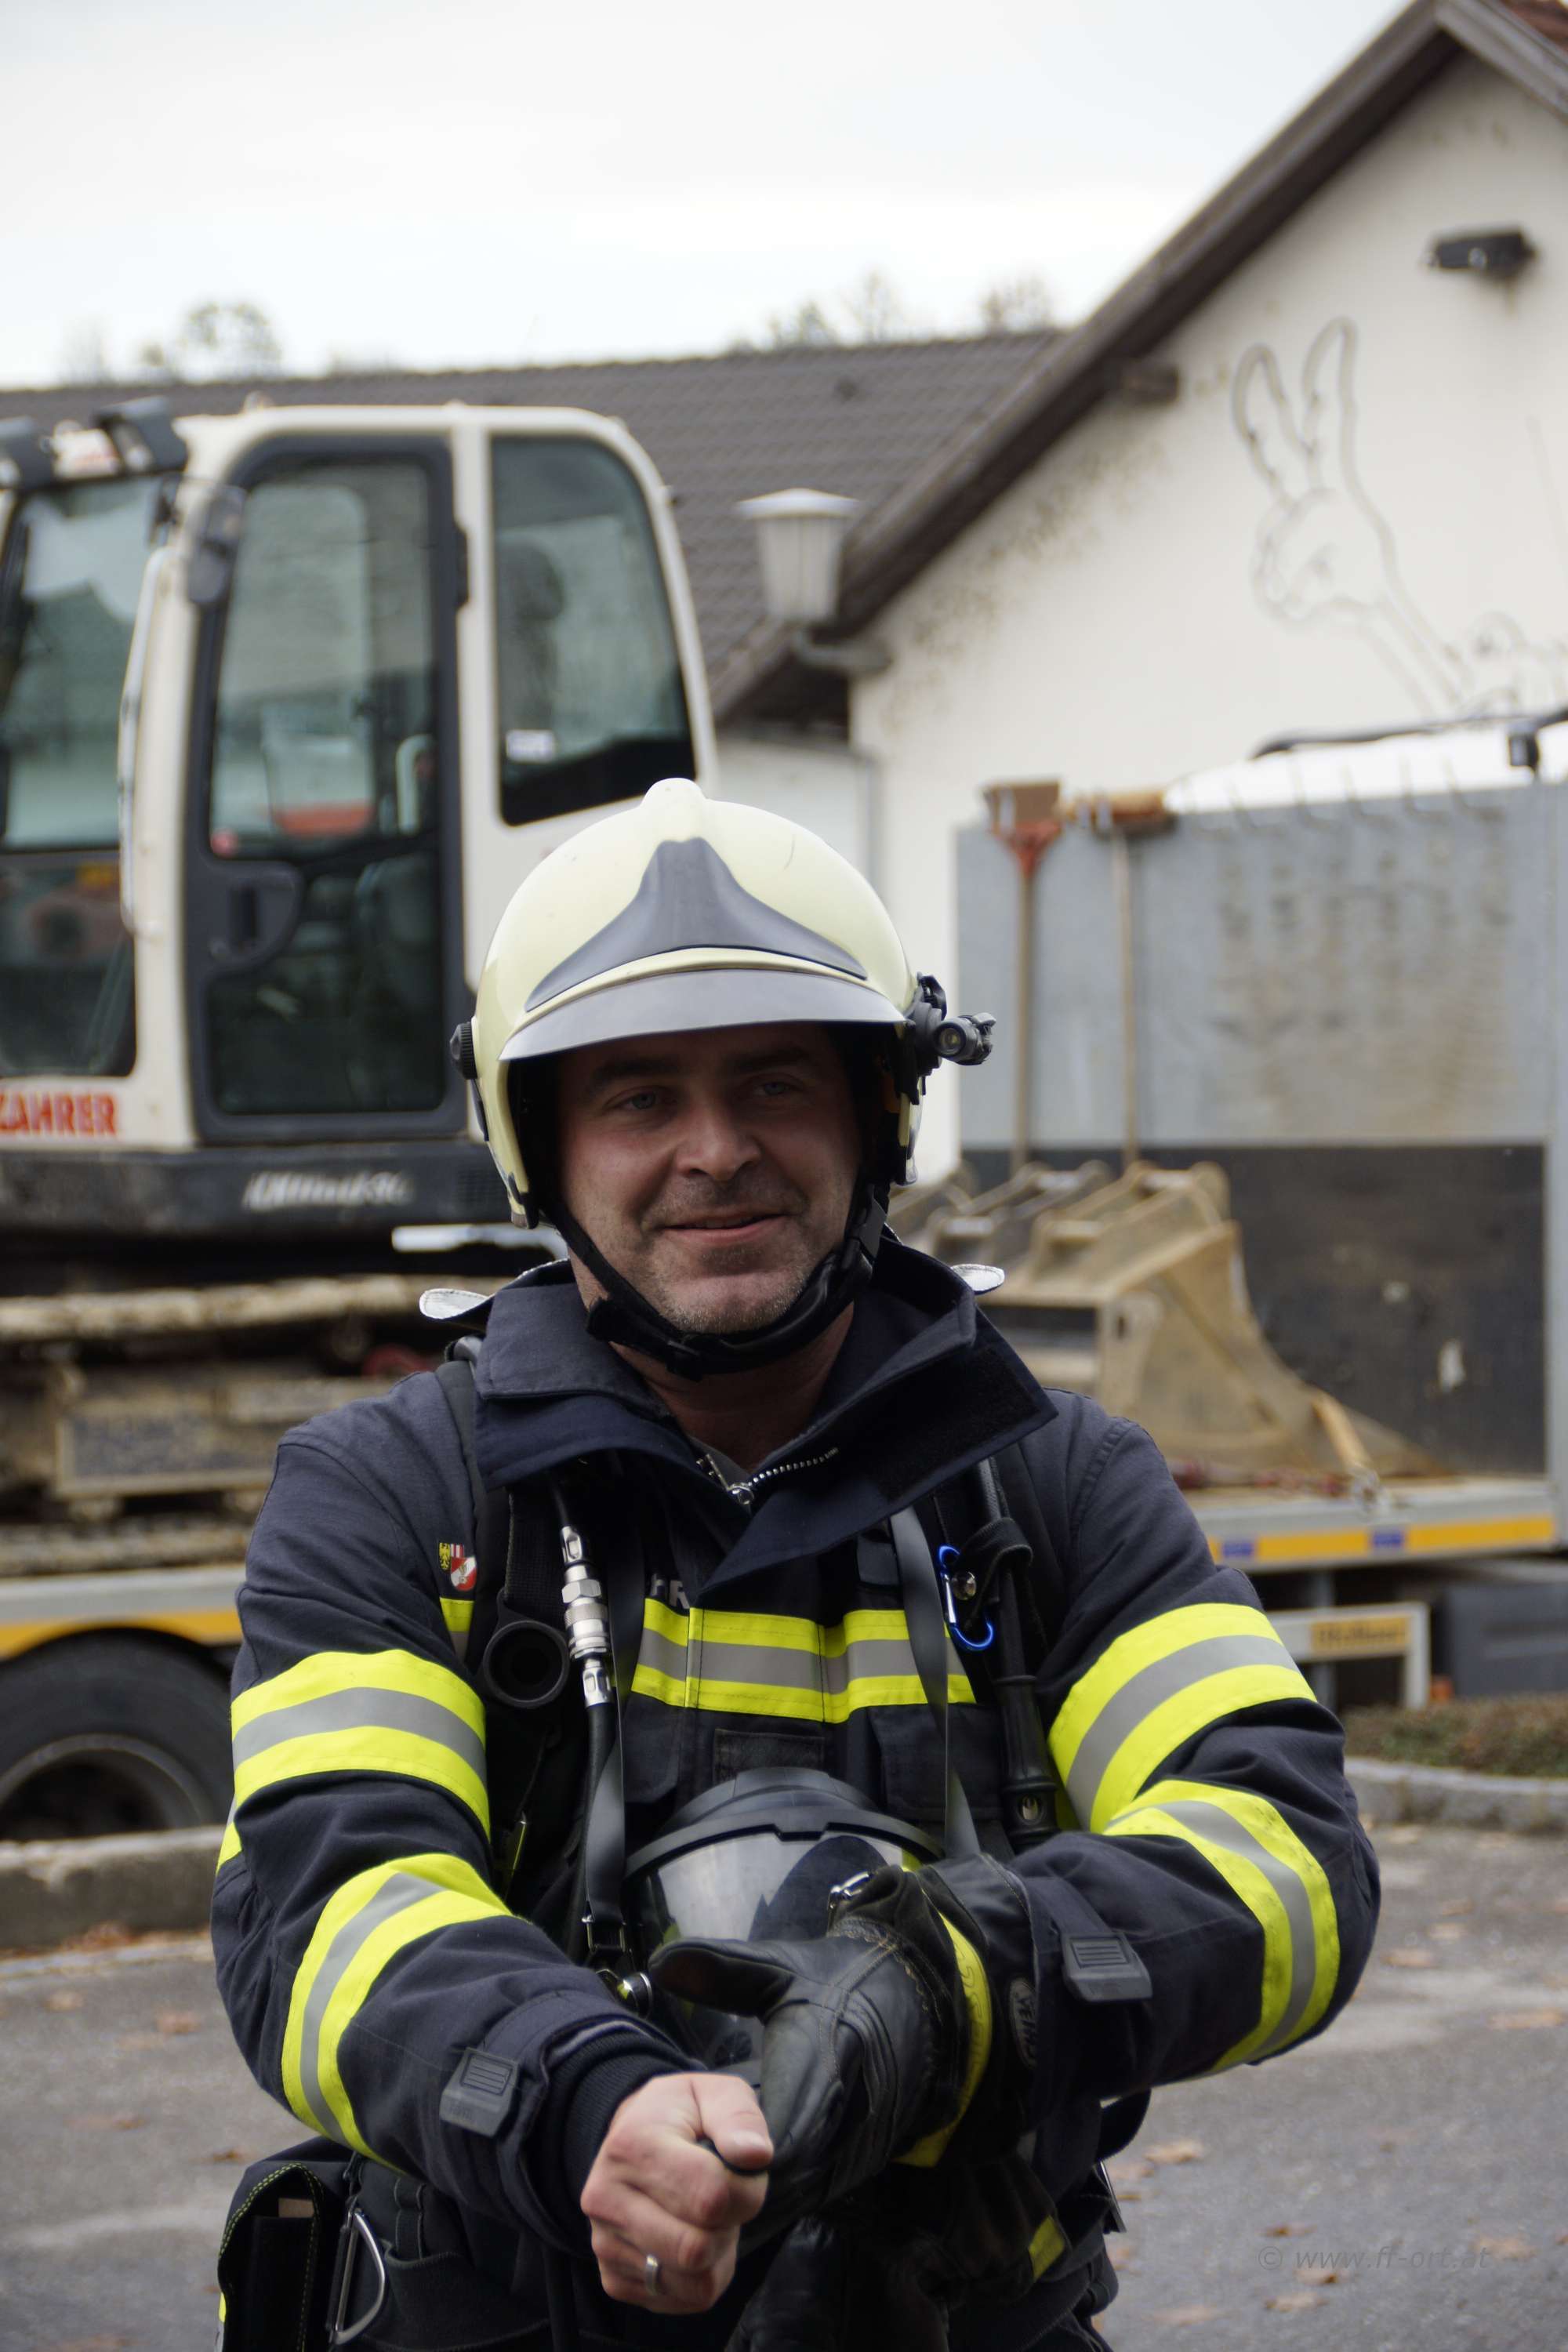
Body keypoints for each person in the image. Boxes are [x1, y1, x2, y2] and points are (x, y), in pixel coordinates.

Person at [212, 779, 1379, 2351]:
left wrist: (951, 1988)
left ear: (879, 1114)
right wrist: (582, 2105)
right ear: (536, 1145)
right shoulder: (397, 1496)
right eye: (638, 1098)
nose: (717, 1152)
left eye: (774, 1082)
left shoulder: (1051, 1482)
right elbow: (326, 1912)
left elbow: (1290, 1861)